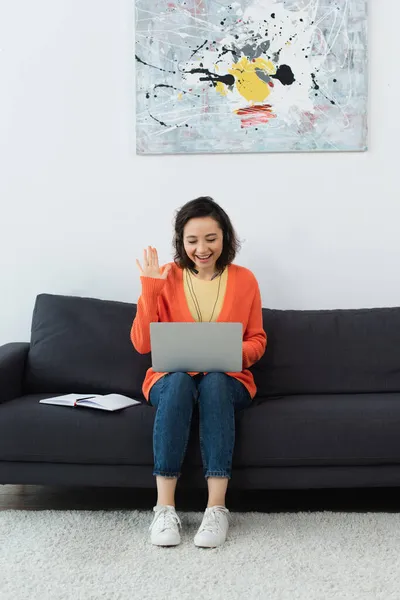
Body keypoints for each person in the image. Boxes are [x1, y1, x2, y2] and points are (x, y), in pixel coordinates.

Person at [130, 196, 267, 548]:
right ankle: (164, 509)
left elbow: (257, 339)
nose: (202, 249)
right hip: (170, 381)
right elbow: (143, 344)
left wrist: (230, 353)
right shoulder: (166, 277)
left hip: (228, 382)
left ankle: (216, 509)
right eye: (192, 241)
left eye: (211, 239)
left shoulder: (245, 280)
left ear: (225, 239)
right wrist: (150, 288)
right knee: (178, 381)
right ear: (181, 242)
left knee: (215, 382)